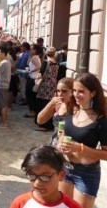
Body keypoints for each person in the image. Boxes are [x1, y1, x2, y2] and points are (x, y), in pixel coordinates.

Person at [58, 73, 107, 208]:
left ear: (93, 93)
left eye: (81, 91)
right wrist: (60, 144)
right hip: (65, 169)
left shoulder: (101, 120)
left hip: (87, 173)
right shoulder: (71, 110)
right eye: (74, 90)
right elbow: (64, 133)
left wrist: (81, 148)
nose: (75, 94)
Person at [10, 145, 82, 208]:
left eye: (45, 177)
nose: (37, 183)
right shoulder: (20, 203)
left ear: (61, 175)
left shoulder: (73, 206)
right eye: (32, 176)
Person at [37, 78, 73, 146]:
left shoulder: (76, 108)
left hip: (68, 144)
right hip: (55, 142)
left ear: (72, 92)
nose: (60, 94)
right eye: (58, 91)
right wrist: (51, 103)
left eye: (64, 91)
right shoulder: (57, 105)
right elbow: (40, 120)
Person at [35, 47, 60, 131]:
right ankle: (49, 124)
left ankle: (43, 124)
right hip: (53, 86)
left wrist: (36, 79)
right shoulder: (57, 63)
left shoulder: (46, 62)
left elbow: (40, 74)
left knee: (42, 103)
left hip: (45, 85)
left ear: (46, 54)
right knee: (50, 104)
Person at [0, 42, 11, 128]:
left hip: (1, 86)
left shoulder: (3, 63)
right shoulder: (6, 61)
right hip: (4, 85)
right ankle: (3, 121)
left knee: (2, 105)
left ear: (3, 53)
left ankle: (3, 123)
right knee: (3, 104)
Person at [23, 44, 42, 118]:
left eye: (32, 49)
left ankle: (31, 111)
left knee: (29, 95)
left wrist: (30, 71)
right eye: (30, 49)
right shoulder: (35, 57)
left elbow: (38, 67)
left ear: (35, 50)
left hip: (32, 79)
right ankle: (33, 111)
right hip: (33, 78)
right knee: (32, 96)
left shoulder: (34, 58)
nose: (30, 50)